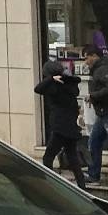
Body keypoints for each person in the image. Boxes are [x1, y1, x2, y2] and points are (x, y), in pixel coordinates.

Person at [36, 59, 90, 188]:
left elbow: (38, 89)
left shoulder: (54, 86)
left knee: (48, 158)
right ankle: (81, 185)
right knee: (72, 157)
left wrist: (50, 79)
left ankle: (49, 185)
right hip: (71, 126)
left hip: (60, 127)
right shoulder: (70, 83)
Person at [85, 49, 108, 185]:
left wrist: (93, 96)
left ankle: (94, 174)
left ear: (94, 56)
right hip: (103, 112)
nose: (86, 62)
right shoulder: (99, 69)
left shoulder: (103, 69)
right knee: (94, 142)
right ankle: (93, 174)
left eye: (87, 58)